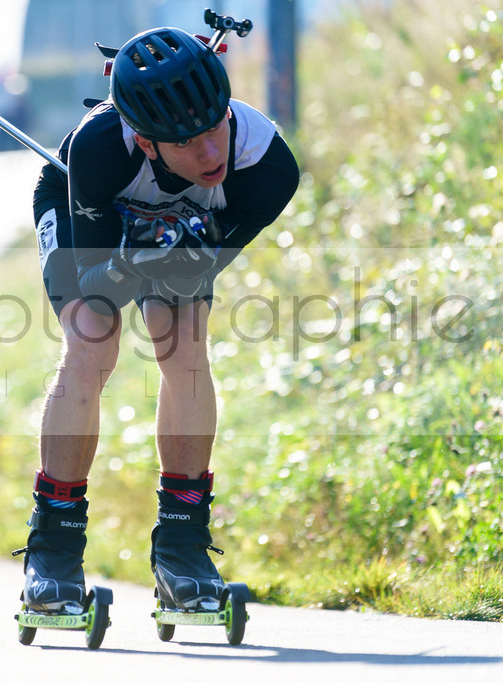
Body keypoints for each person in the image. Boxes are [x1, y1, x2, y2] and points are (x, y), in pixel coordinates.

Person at [17, 27, 300, 614]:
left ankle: (182, 546)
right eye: (187, 143)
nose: (211, 154)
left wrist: (180, 254)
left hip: (188, 216)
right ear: (147, 143)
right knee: (92, 340)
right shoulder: (98, 149)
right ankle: (54, 549)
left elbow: (203, 262)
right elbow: (97, 289)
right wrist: (129, 260)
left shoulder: (268, 166)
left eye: (215, 128)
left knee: (183, 343)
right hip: (86, 212)